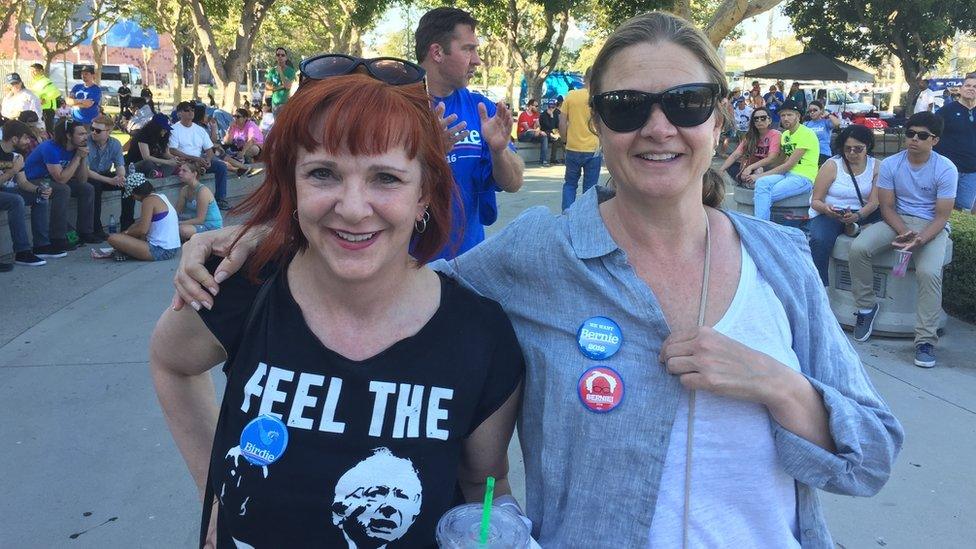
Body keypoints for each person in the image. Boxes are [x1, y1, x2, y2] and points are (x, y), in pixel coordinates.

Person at [174, 12, 902, 547]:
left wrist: (777, 383)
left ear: (720, 116)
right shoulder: (537, 257)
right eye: (625, 107)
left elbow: (870, 456)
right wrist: (256, 235)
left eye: (684, 103)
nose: (657, 127)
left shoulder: (781, 261)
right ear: (597, 123)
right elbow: (387, 272)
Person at [151, 74, 524, 547]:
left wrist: (495, 533)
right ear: (293, 184)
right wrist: (216, 492)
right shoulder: (241, 289)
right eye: (323, 173)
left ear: (424, 195)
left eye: (385, 178)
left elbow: (486, 489)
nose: (351, 208)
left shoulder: (480, 333)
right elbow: (171, 363)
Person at [848, 112, 956, 368]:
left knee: (929, 273)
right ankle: (866, 307)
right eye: (909, 134)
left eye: (921, 136)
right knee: (859, 248)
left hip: (932, 227)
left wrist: (920, 239)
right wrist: (904, 231)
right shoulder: (891, 165)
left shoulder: (946, 168)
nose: (914, 140)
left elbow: (942, 217)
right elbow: (886, 207)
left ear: (935, 140)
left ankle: (925, 341)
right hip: (896, 222)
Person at [413, 7, 523, 257]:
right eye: (468, 49)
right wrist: (428, 153)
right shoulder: (397, 107)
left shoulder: (481, 108)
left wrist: (499, 151)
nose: (477, 60)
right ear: (437, 52)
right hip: (409, 268)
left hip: (469, 264)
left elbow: (514, 183)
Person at [808, 125, 882, 285]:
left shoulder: (877, 166)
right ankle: (821, 285)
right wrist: (827, 209)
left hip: (863, 212)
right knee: (819, 240)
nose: (852, 153)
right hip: (832, 212)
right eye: (847, 149)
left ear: (867, 146)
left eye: (858, 149)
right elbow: (816, 201)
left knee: (889, 219)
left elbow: (875, 202)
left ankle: (857, 227)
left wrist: (857, 215)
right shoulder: (831, 165)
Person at [23, 119, 100, 249]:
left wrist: (82, 158)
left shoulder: (76, 148)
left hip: (51, 180)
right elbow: (61, 180)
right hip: (33, 180)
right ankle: (58, 238)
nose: (85, 137)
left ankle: (85, 232)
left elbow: (82, 180)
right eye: (80, 134)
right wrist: (77, 157)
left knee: (87, 188)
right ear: (68, 136)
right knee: (62, 189)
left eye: (85, 133)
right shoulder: (50, 148)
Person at [0, 120, 56, 270]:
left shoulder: (17, 156)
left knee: (40, 197)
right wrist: (12, 171)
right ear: (14, 139)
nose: (28, 142)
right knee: (16, 200)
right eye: (25, 138)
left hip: (9, 193)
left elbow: (23, 183)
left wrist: (39, 190)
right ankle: (22, 251)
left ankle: (41, 245)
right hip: (5, 195)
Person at [752, 100, 819, 221]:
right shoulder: (786, 135)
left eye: (789, 115)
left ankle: (761, 227)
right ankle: (762, 225)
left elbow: (789, 164)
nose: (785, 118)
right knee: (761, 184)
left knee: (764, 195)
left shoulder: (806, 133)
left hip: (803, 177)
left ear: (798, 116)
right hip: (787, 175)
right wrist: (763, 169)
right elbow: (781, 160)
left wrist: (761, 175)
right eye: (783, 115)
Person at [168, 101, 231, 210]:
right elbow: (173, 150)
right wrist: (195, 158)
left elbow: (209, 150)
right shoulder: (174, 129)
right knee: (193, 167)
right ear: (179, 114)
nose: (191, 112)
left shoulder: (200, 130)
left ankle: (220, 200)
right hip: (183, 161)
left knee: (221, 167)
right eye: (187, 110)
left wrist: (208, 160)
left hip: (199, 161)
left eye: (192, 110)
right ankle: (193, 203)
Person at [102, 174, 180, 261]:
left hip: (160, 250)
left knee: (113, 238)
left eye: (132, 195)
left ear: (138, 191)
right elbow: (141, 224)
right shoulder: (161, 196)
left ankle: (125, 251)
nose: (133, 198)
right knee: (134, 226)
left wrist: (125, 234)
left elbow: (142, 230)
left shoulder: (148, 201)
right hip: (172, 248)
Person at [558, 67, 601, 210]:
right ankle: (585, 215)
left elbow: (562, 122)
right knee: (590, 187)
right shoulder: (598, 98)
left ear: (584, 79)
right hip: (593, 149)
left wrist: (564, 140)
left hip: (573, 147)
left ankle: (566, 214)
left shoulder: (570, 96)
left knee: (570, 184)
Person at [933, 73, 976, 212]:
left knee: (963, 209)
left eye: (975, 86)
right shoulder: (946, 111)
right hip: (947, 169)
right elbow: (932, 133)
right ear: (961, 88)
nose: (971, 88)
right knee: (940, 207)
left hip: (971, 171)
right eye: (967, 85)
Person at [85, 114, 128, 239]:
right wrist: (110, 180)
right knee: (95, 186)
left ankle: (126, 224)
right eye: (92, 129)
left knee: (128, 184)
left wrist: (121, 178)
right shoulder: (86, 142)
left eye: (98, 130)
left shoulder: (115, 144)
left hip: (104, 174)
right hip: (89, 175)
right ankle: (96, 228)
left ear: (108, 131)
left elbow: (120, 166)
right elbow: (86, 171)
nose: (93, 132)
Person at [719, 106, 780, 186]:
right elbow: (736, 154)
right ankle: (748, 180)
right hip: (752, 165)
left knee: (759, 170)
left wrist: (749, 168)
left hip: (768, 166)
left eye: (763, 118)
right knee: (731, 166)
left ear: (770, 120)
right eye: (756, 119)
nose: (759, 121)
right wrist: (721, 169)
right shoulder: (750, 136)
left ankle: (748, 181)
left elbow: (772, 158)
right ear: (753, 122)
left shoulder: (775, 134)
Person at [126, 113, 180, 186]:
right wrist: (167, 162)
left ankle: (159, 174)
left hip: (154, 165)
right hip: (136, 164)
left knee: (172, 164)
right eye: (163, 129)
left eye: (166, 129)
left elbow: (165, 153)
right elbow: (146, 157)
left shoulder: (163, 137)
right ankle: (160, 173)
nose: (165, 131)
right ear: (156, 127)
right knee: (148, 163)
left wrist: (175, 159)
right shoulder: (142, 136)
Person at [173, 161, 223, 241]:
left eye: (184, 171)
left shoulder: (202, 191)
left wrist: (177, 223)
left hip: (210, 225)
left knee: (182, 230)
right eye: (180, 170)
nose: (180, 173)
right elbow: (177, 212)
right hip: (196, 222)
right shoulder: (184, 190)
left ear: (194, 174)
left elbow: (200, 219)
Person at [804, 100, 841, 165]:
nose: (812, 112)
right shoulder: (806, 124)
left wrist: (828, 114)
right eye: (810, 111)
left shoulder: (825, 122)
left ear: (821, 111)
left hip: (824, 153)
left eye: (815, 110)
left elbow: (838, 123)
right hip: (809, 154)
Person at [28, 63, 61, 135]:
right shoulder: (34, 83)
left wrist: (44, 99)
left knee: (48, 131)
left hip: (46, 110)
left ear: (41, 71)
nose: (32, 73)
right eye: (31, 71)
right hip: (38, 110)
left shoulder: (45, 81)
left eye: (35, 71)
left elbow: (55, 92)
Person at [516, 98, 551, 166]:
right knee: (531, 133)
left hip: (533, 134)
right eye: (536, 106)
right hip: (523, 135)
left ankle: (543, 160)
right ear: (530, 106)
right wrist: (538, 131)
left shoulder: (536, 115)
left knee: (544, 136)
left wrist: (538, 129)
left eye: (537, 106)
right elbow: (527, 129)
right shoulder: (523, 115)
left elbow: (538, 126)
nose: (537, 107)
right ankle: (535, 138)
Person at [265, 47, 297, 113]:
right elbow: (268, 88)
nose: (280, 57)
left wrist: (280, 72)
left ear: (286, 58)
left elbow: (288, 86)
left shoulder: (291, 71)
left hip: (286, 104)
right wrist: (282, 86)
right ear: (276, 57)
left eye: (282, 55)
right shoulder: (272, 71)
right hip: (275, 104)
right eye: (278, 55)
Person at [538, 98, 561, 164]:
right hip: (544, 132)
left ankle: (553, 159)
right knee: (547, 138)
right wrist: (551, 116)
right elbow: (548, 126)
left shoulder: (556, 114)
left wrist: (556, 134)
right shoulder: (544, 114)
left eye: (553, 107)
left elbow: (556, 126)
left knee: (559, 139)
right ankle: (543, 160)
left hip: (553, 132)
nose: (552, 109)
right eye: (551, 107)